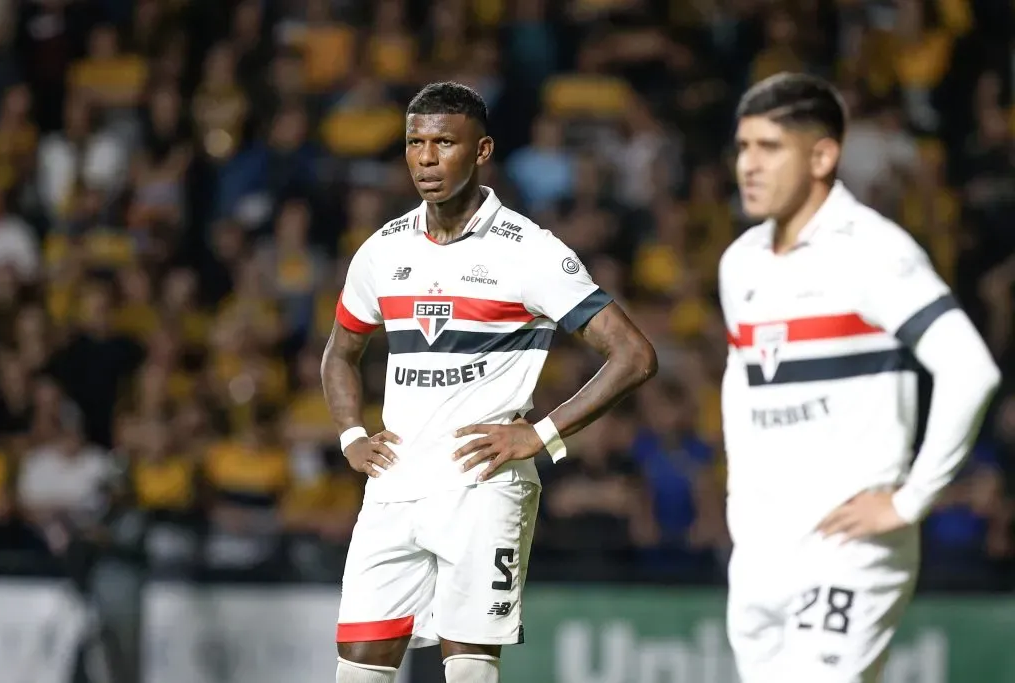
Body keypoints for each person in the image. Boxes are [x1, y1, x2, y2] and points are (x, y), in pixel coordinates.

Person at [322, 82, 657, 683]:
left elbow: (633, 355)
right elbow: (340, 354)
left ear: (481, 152)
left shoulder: (529, 251)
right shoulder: (381, 249)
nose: (426, 158)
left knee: (470, 671)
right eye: (415, 143)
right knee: (357, 672)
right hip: (394, 487)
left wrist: (541, 434)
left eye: (444, 143)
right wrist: (350, 436)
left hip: (482, 486)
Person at [719, 73, 1001, 683]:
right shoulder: (739, 261)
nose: (749, 165)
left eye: (770, 148)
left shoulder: (875, 251)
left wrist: (911, 500)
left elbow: (970, 369)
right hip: (762, 545)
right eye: (743, 147)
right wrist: (738, 495)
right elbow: (741, 378)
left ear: (822, 156)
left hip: (848, 543)